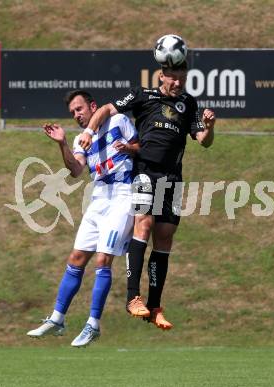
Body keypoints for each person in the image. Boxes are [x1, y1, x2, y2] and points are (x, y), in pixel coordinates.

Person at [79, 57, 215, 330]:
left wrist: (210, 127)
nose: (178, 83)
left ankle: (154, 307)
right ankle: (133, 298)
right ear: (162, 76)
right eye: (173, 77)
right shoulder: (144, 95)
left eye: (182, 78)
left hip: (173, 178)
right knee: (144, 222)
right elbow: (108, 107)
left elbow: (203, 142)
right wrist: (89, 130)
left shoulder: (188, 103)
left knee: (164, 238)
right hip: (145, 172)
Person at [27, 90, 139, 347]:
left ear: (92, 106)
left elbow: (142, 146)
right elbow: (76, 170)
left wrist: (129, 148)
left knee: (103, 258)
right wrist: (62, 143)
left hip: (122, 195)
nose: (76, 115)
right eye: (72, 113)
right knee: (76, 258)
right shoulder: (81, 141)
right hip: (98, 197)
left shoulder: (118, 121)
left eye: (79, 109)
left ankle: (93, 324)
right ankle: (57, 319)